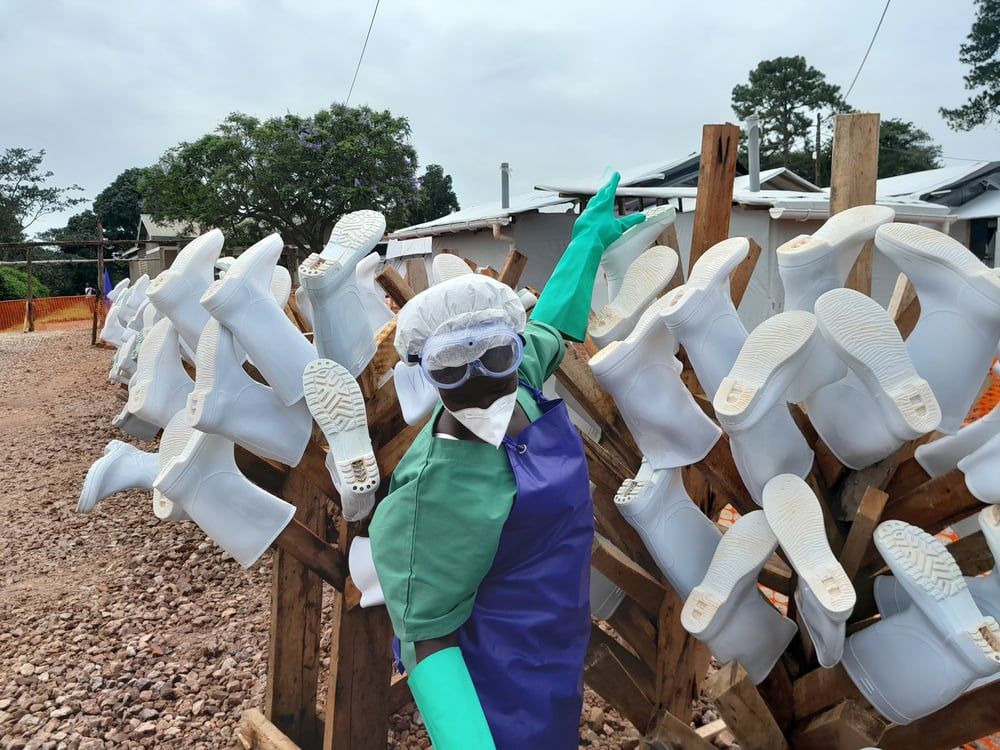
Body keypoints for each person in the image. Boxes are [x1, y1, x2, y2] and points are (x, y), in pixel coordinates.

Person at [368, 173, 645, 749]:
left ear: (512, 348)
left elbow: (551, 323)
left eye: (493, 355)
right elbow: (424, 636)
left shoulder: (517, 384)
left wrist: (588, 240)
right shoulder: (431, 490)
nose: (476, 383)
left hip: (556, 632)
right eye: (450, 367)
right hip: (497, 668)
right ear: (425, 372)